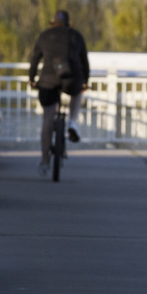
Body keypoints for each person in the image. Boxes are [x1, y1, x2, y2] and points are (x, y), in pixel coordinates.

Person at [28, 10, 90, 176]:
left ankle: (45, 161)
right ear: (68, 23)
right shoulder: (76, 36)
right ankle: (72, 123)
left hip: (48, 80)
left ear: (53, 22)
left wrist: (32, 79)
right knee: (78, 92)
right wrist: (86, 81)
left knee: (48, 117)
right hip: (72, 78)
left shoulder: (45, 36)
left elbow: (34, 59)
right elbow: (84, 61)